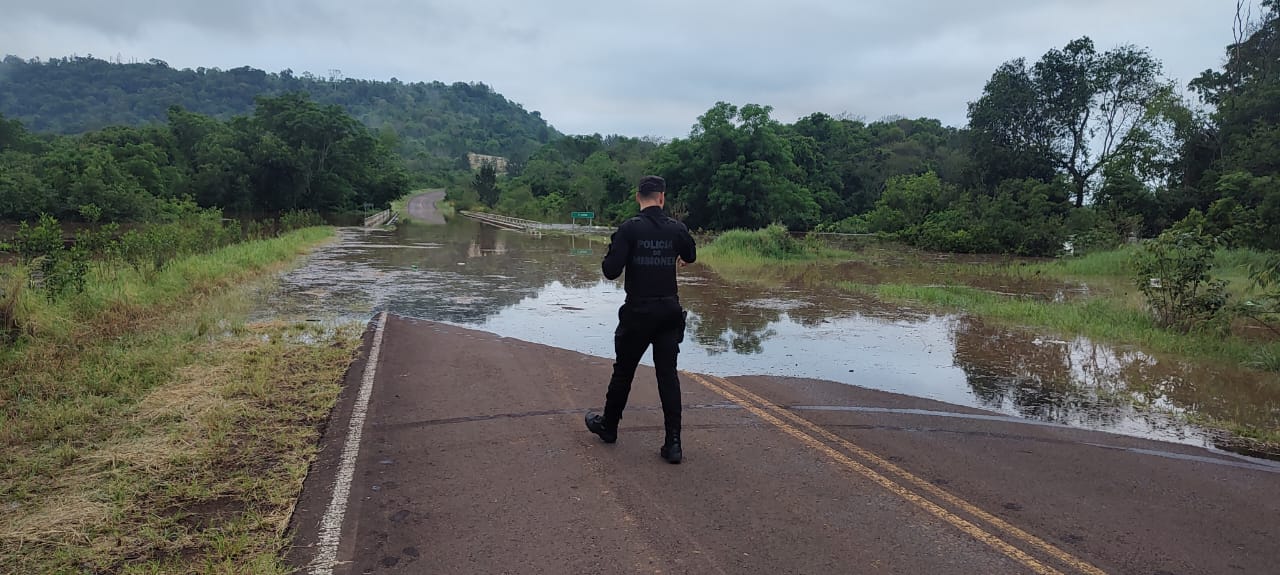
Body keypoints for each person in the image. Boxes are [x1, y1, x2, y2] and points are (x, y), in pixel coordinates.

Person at [585, 175, 696, 464]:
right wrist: (676, 257)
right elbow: (691, 254)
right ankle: (673, 444)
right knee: (667, 376)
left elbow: (611, 270)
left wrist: (614, 251)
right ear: (662, 197)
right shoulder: (676, 228)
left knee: (624, 371)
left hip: (638, 313)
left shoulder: (629, 229)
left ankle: (609, 427)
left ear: (638, 197)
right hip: (669, 313)